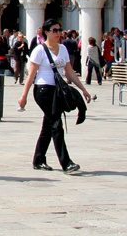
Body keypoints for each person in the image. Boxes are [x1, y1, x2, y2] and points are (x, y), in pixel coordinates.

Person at [18, 19, 91, 174]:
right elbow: (31, 75)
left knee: (48, 126)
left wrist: (83, 89)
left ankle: (39, 159)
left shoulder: (63, 49)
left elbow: (69, 71)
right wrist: (23, 96)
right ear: (46, 32)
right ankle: (66, 163)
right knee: (56, 124)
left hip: (57, 90)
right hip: (43, 90)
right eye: (54, 30)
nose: (58, 33)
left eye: (59, 30)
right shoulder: (39, 50)